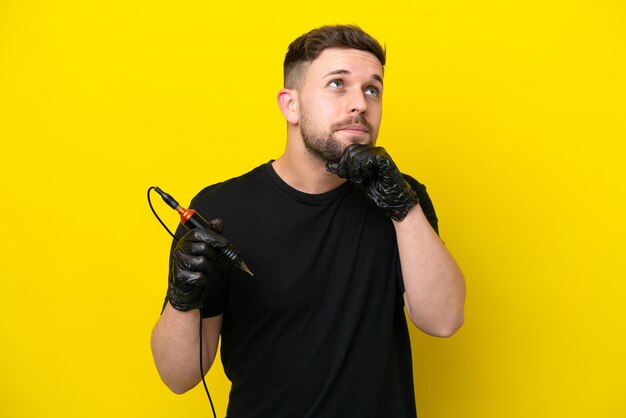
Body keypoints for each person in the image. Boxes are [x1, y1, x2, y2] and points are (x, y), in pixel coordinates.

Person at [151, 24, 465, 417]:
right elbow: (178, 377)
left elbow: (444, 319)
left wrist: (402, 207)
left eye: (373, 89)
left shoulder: (402, 196)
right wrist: (182, 299)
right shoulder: (219, 210)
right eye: (338, 84)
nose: (360, 104)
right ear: (291, 105)